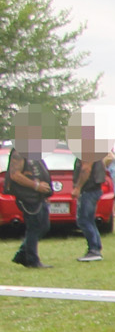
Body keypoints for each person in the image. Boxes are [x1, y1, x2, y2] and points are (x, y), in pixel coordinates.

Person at [6, 109, 56, 270]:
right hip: (28, 197)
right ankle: (32, 260)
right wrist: (36, 186)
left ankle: (23, 254)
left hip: (39, 196)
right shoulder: (19, 151)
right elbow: (15, 175)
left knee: (44, 225)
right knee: (35, 226)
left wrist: (45, 191)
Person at [69, 120, 114, 261]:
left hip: (89, 190)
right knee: (88, 220)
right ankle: (96, 247)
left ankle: (94, 250)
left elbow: (86, 169)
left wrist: (77, 188)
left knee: (83, 220)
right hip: (93, 189)